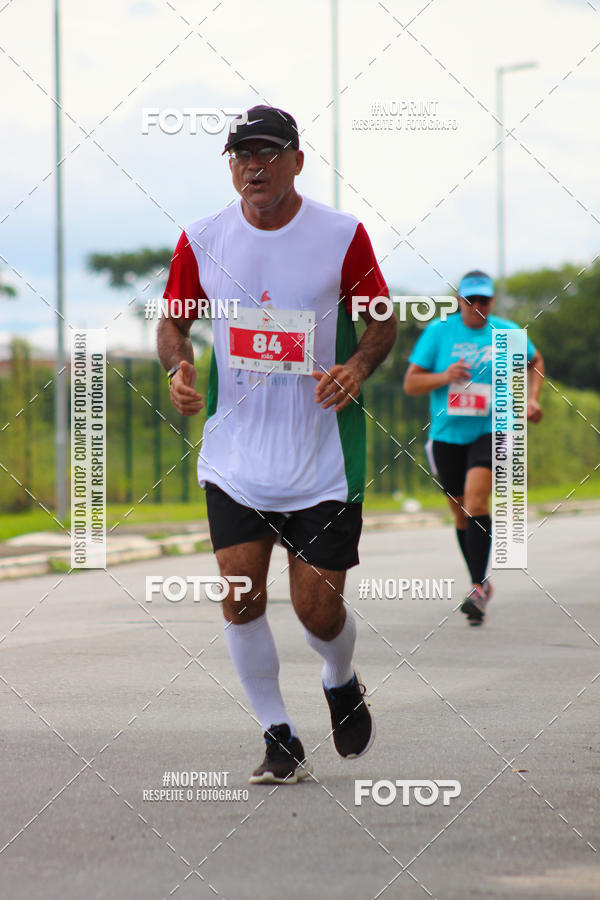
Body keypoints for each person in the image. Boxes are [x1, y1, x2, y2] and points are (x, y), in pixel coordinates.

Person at [157, 105, 397, 783]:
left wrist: (356, 368)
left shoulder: (340, 235)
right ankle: (278, 734)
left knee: (318, 612)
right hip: (235, 458)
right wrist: (177, 365)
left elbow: (381, 321)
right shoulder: (202, 237)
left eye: (266, 154)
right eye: (240, 156)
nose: (252, 167)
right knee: (241, 597)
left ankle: (340, 676)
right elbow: (173, 322)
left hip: (320, 458)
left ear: (296, 159)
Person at [403, 270, 544, 625]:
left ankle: (477, 589)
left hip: (492, 428)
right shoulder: (438, 332)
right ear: (459, 302)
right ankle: (479, 582)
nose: (477, 307)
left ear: (492, 301)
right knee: (461, 511)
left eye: (484, 300)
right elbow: (411, 384)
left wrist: (530, 398)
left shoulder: (508, 332)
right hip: (448, 435)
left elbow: (535, 361)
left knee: (476, 500)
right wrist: (444, 376)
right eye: (470, 300)